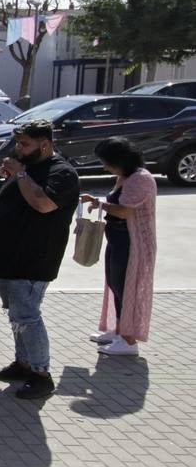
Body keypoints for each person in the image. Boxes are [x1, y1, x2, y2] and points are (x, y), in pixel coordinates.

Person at [0, 119, 81, 398]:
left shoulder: (61, 173)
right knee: (17, 316)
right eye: (18, 143)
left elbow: (43, 204)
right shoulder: (27, 170)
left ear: (46, 144)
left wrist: (21, 175)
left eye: (25, 144)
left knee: (28, 316)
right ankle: (23, 363)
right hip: (8, 258)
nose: (19, 149)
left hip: (34, 259)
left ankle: (41, 374)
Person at [82, 137, 157, 357]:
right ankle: (119, 330)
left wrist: (101, 204)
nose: (104, 167)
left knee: (126, 287)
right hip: (118, 239)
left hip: (134, 243)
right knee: (116, 284)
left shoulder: (140, 179)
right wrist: (99, 203)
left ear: (120, 160)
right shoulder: (125, 176)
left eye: (107, 162)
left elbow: (125, 210)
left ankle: (129, 340)